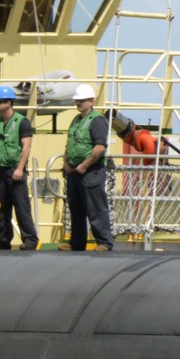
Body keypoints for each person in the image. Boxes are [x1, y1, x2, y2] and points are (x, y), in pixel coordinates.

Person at [0, 84, 39, 250]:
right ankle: (3, 240)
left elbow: (26, 147)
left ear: (9, 103)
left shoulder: (22, 122)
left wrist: (19, 168)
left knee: (21, 206)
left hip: (14, 170)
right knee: (4, 208)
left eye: (0, 101)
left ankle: (30, 239)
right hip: (1, 170)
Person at [64, 84, 114, 251]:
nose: (78, 103)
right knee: (76, 208)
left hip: (91, 171)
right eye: (77, 101)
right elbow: (69, 144)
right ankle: (77, 243)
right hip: (74, 171)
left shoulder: (97, 121)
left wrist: (84, 166)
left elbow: (100, 147)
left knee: (96, 207)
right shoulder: (76, 121)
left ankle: (104, 242)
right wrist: (66, 164)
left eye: (82, 101)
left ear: (91, 101)